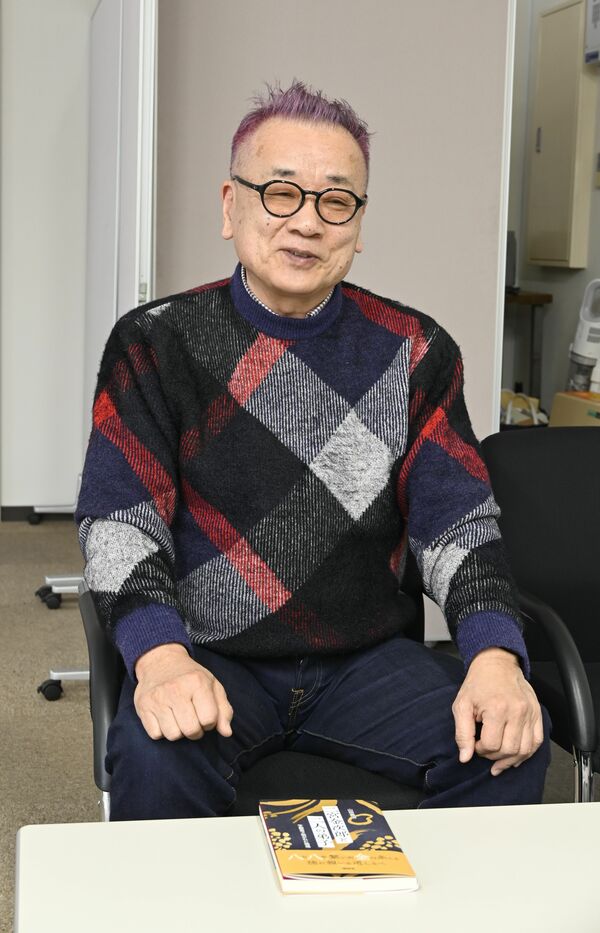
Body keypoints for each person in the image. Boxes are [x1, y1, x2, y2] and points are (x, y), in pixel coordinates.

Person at [76, 81, 550, 821]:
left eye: (335, 201)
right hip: (212, 653)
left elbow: (457, 522)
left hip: (365, 663)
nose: (306, 222)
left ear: (358, 227)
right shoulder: (155, 342)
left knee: (506, 746)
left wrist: (494, 655)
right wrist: (159, 656)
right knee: (154, 755)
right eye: (280, 193)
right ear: (229, 206)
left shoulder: (416, 350)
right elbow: (118, 524)